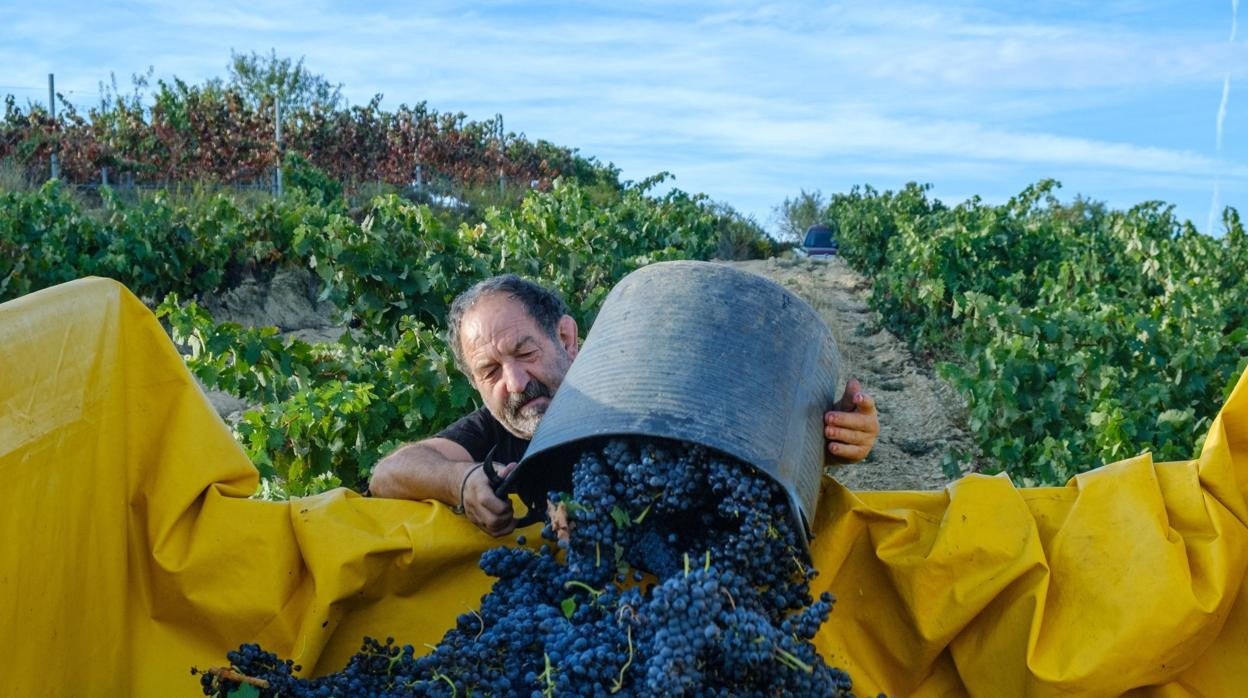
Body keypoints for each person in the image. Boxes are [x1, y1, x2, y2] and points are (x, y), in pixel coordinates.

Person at [369, 274, 880, 536]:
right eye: (490, 372)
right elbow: (389, 474)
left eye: (526, 352)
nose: (517, 381)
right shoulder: (492, 430)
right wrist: (458, 481)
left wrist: (823, 436)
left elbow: (727, 443)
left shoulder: (634, 389)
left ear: (567, 338)